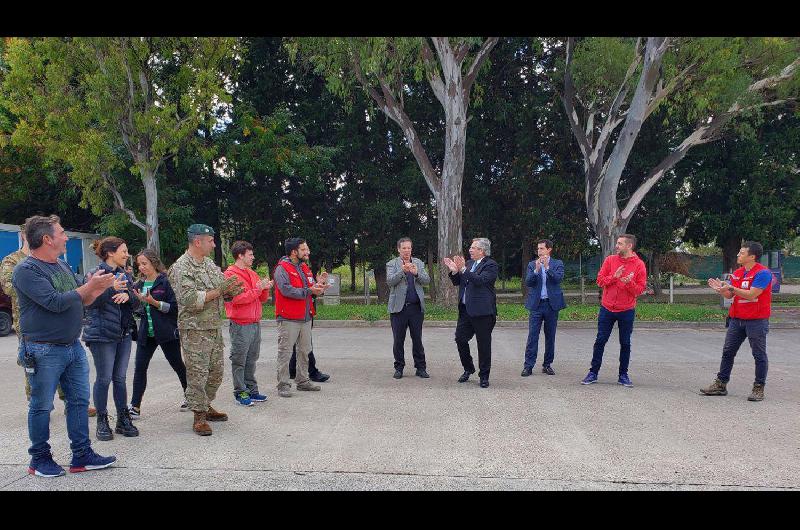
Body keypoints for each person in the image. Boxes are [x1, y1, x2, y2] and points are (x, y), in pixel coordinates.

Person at [12, 214, 116, 477]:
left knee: (79, 402)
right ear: (47, 239)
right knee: (42, 406)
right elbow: (55, 302)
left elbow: (83, 300)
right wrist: (90, 286)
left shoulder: (62, 266)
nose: (66, 237)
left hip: (72, 347)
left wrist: (101, 287)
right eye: (61, 233)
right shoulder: (26, 270)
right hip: (43, 349)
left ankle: (81, 455)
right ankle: (39, 459)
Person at [1, 228, 98, 414]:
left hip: (60, 319)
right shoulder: (13, 261)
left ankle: (72, 400)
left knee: (66, 360)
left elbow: (69, 288)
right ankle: (38, 403)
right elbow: (9, 287)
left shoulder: (55, 262)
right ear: (24, 236)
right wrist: (44, 290)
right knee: (36, 366)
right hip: (30, 323)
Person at [169, 224, 243, 436]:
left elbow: (220, 290)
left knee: (216, 373)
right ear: (198, 241)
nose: (214, 244)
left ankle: (206, 405)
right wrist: (220, 290)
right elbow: (190, 299)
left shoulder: (210, 265)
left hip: (213, 326)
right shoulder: (182, 267)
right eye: (211, 240)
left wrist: (231, 291)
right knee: (197, 374)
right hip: (194, 330)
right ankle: (199, 416)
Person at [701, 241, 772, 401]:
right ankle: (721, 384)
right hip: (736, 319)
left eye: (742, 253)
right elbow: (730, 296)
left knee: (758, 354)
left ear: (752, 256)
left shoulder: (763, 273)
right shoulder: (738, 273)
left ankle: (758, 388)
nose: (738, 255)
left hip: (756, 320)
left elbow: (752, 294)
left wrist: (731, 288)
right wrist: (721, 290)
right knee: (728, 352)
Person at [82, 237, 139, 441]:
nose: (127, 254)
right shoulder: (95, 274)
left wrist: (128, 297)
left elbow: (137, 303)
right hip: (102, 335)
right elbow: (88, 303)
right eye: (123, 251)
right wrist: (111, 290)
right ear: (110, 253)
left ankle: (123, 419)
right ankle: (102, 420)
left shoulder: (125, 274)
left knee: (120, 379)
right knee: (104, 378)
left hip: (123, 334)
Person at [581, 234, 647, 387]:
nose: (616, 246)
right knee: (600, 341)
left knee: (625, 343)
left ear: (629, 246)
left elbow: (639, 290)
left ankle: (623, 375)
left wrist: (629, 283)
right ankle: (593, 373)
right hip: (607, 309)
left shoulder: (639, 265)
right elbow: (599, 281)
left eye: (619, 243)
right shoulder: (610, 260)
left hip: (627, 310)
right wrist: (614, 277)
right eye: (617, 243)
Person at [128, 248, 188, 418]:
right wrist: (138, 303)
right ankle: (135, 406)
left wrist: (154, 302)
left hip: (166, 333)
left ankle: (190, 396)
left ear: (154, 262)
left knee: (177, 365)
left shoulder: (165, 282)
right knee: (140, 368)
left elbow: (174, 308)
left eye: (144, 263)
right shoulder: (138, 285)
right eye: (139, 264)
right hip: (146, 334)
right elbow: (136, 309)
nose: (141, 267)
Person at [273, 238, 330, 397]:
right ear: (294, 252)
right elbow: (286, 290)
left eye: (307, 249)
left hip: (305, 317)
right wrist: (309, 291)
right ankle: (283, 385)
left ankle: (303, 381)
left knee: (305, 351)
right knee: (285, 353)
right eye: (304, 250)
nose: (308, 252)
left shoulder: (304, 267)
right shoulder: (281, 268)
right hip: (288, 318)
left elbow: (310, 287)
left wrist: (320, 285)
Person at [443, 238, 498, 389]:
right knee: (460, 339)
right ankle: (468, 368)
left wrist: (463, 270)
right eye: (471, 247)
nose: (470, 250)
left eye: (474, 248)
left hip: (483, 312)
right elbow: (458, 282)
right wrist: (454, 270)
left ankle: (484, 376)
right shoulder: (468, 264)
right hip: (466, 311)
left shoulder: (491, 265)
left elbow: (480, 281)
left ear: (482, 251)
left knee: (484, 345)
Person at [223, 240, 273, 406]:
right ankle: (240, 392)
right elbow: (237, 299)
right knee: (239, 359)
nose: (253, 257)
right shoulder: (230, 275)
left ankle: (252, 390)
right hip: (240, 324)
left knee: (252, 358)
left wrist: (265, 288)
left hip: (254, 323)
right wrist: (258, 289)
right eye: (250, 254)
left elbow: (262, 299)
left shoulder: (252, 273)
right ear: (240, 255)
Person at [386, 237, 431, 379]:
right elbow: (390, 281)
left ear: (412, 249)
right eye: (404, 248)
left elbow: (426, 281)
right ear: (398, 249)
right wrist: (403, 272)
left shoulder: (418, 262)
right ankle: (399, 367)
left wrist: (416, 273)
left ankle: (421, 368)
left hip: (416, 308)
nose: (407, 250)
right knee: (398, 340)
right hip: (399, 309)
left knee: (417, 339)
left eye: (409, 248)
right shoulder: (392, 264)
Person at [522, 239, 566, 376]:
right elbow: (528, 282)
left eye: (542, 249)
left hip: (551, 305)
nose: (539, 251)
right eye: (538, 249)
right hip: (536, 305)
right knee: (533, 336)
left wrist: (547, 268)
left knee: (550, 336)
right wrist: (536, 270)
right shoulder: (532, 264)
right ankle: (528, 366)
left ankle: (547, 364)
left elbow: (558, 279)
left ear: (549, 250)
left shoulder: (557, 263)